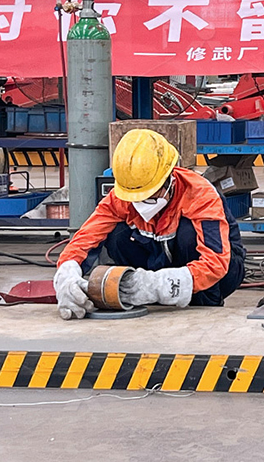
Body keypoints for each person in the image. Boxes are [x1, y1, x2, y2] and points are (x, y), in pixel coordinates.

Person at [53, 129, 246, 319]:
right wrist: (67, 275)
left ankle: (204, 307)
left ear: (169, 179)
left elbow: (215, 263)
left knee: (188, 235)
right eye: (135, 197)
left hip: (221, 271)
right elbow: (85, 239)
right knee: (118, 236)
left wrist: (156, 286)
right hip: (157, 260)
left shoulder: (200, 194)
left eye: (149, 194)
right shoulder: (122, 197)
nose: (140, 202)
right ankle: (139, 297)